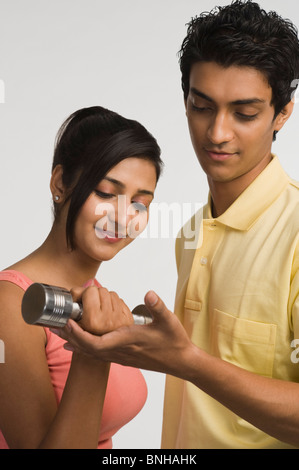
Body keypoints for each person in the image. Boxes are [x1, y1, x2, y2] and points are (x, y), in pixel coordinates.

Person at [50, 1, 299, 449]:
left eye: (244, 113)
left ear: (282, 114)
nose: (217, 132)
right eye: (202, 106)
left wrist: (186, 360)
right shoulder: (191, 232)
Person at [0, 105, 163, 449]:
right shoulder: (10, 305)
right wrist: (94, 351)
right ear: (60, 182)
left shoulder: (95, 298)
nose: (123, 216)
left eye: (140, 203)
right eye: (105, 193)